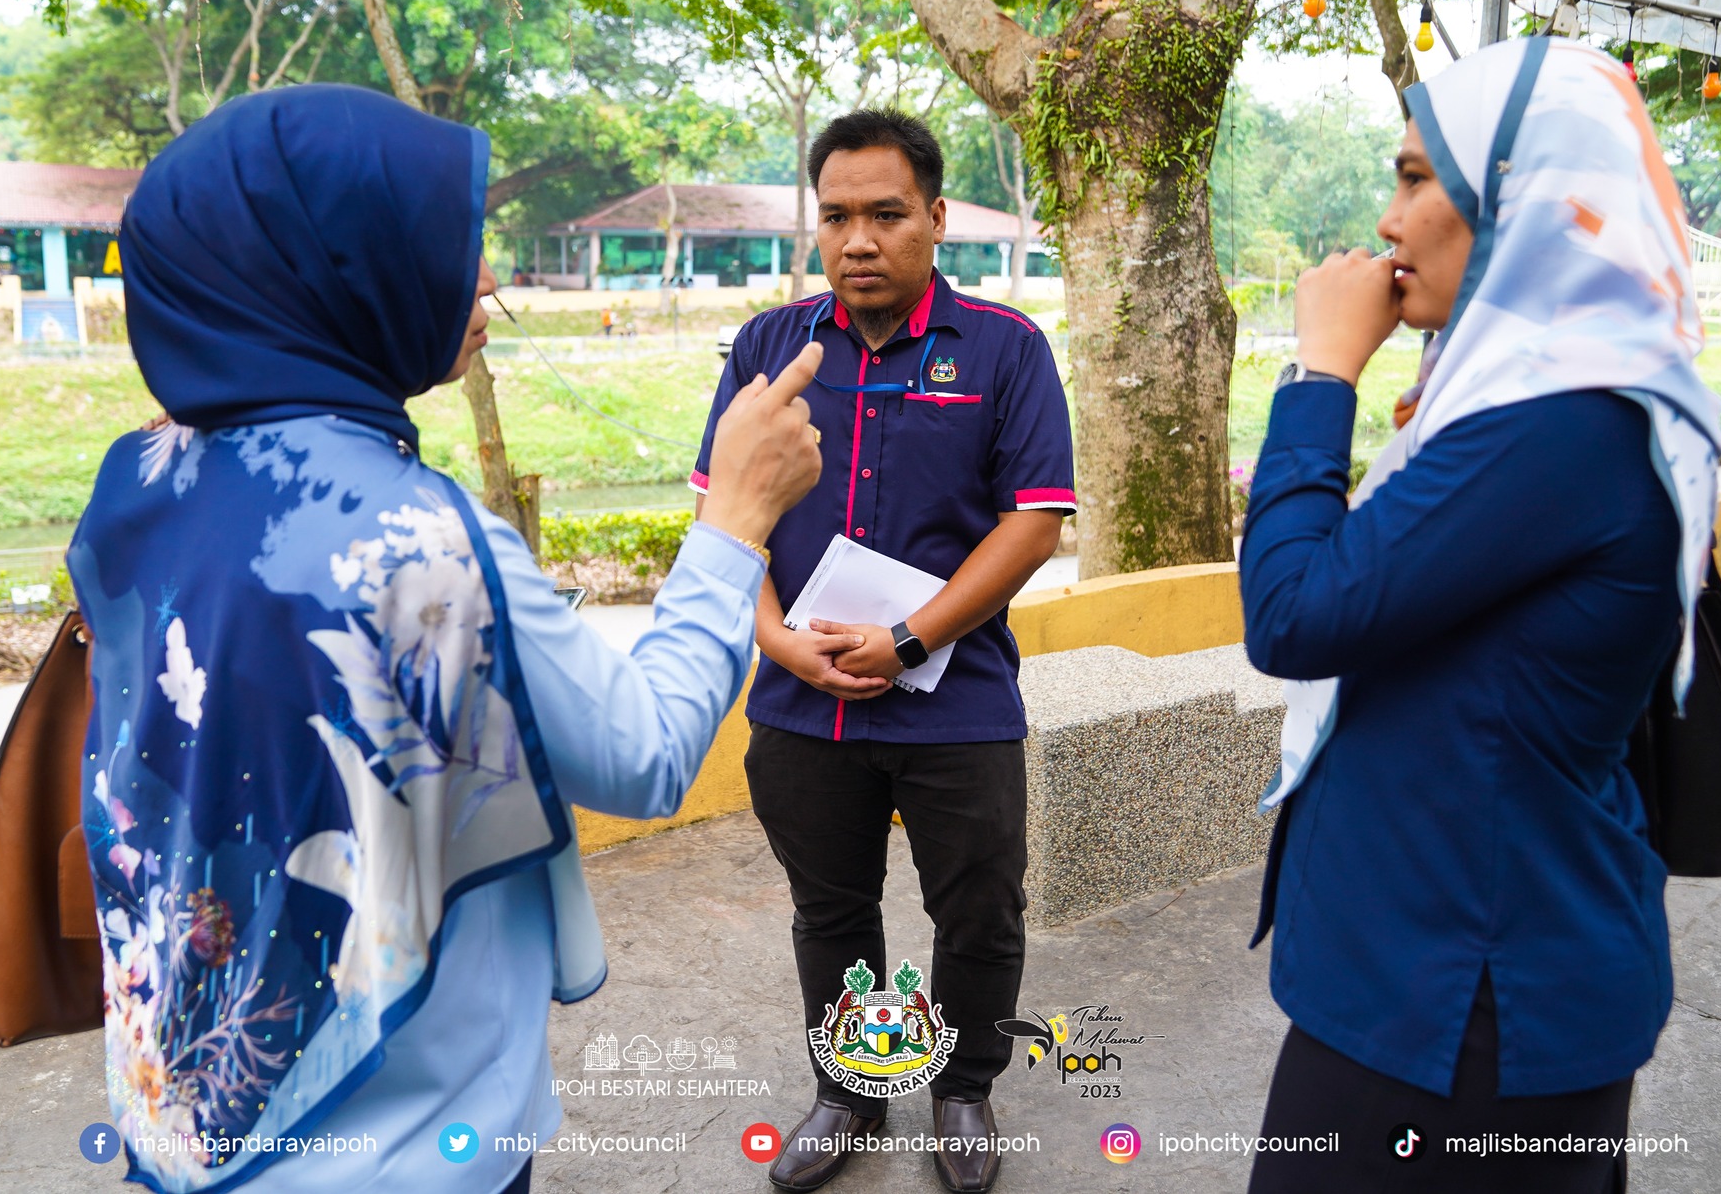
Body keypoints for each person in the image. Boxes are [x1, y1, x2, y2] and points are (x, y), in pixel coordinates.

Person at [71, 84, 825, 1194]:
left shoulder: (141, 476)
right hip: (402, 1148)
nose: (483, 276)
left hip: (186, 1112)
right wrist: (736, 523)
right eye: (447, 240)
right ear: (335, 267)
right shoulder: (416, 537)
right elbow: (647, 753)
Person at [1237, 36, 1721, 1193]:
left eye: (1415, 178)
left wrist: (1315, 378)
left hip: (1462, 1001)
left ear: (1520, 197)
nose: (1389, 219)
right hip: (1446, 967)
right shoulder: (1533, 394)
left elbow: (1296, 613)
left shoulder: (1560, 425)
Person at [690, 108, 1075, 1194]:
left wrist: (908, 636)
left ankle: (961, 1088)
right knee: (832, 911)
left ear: (936, 218)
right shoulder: (771, 348)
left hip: (955, 706)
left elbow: (1034, 517)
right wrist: (776, 642)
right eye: (837, 217)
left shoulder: (1001, 348)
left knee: (978, 907)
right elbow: (727, 514)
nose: (858, 239)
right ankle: (850, 1090)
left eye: (885, 215)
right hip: (803, 705)